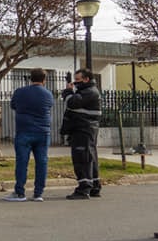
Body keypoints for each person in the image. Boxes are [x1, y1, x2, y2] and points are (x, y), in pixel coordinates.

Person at [5, 68, 54, 202]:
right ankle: (38, 193)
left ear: (30, 78)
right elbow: (49, 107)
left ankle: (19, 192)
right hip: (43, 132)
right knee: (42, 162)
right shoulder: (48, 94)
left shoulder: (20, 92)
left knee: (21, 162)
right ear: (44, 80)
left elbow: (14, 106)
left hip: (24, 130)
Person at [61, 68, 102, 199]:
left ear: (86, 79)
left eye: (78, 80)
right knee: (90, 158)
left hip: (83, 129)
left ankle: (83, 189)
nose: (75, 82)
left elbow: (72, 103)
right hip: (85, 129)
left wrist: (68, 92)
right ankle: (94, 186)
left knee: (82, 159)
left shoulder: (89, 92)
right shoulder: (86, 91)